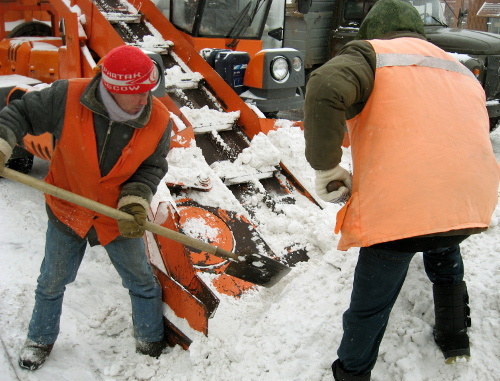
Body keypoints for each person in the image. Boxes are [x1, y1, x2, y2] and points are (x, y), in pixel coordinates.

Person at [303, 0, 500, 380]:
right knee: (444, 246)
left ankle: (352, 372)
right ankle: (455, 335)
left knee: (372, 303)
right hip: (469, 200)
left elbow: (326, 87)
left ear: (373, 33)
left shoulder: (371, 53)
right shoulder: (455, 65)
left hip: (403, 208)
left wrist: (326, 167)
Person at [0, 45, 172, 370]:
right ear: (113, 88)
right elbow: (19, 113)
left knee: (141, 281)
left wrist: (135, 201)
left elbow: (151, 167)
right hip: (68, 206)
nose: (145, 100)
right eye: (136, 93)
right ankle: (39, 339)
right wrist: (3, 141)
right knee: (52, 282)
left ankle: (150, 339)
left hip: (116, 216)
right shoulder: (67, 97)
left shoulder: (159, 120)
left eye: (148, 90)